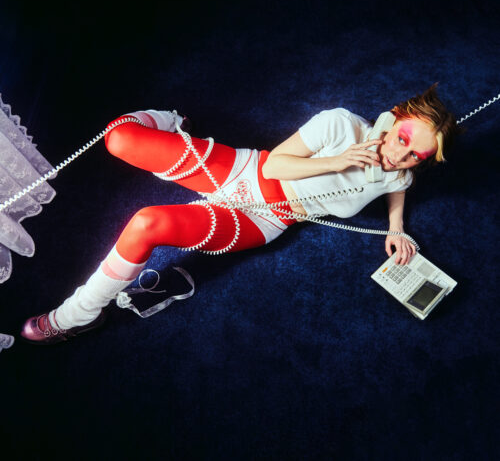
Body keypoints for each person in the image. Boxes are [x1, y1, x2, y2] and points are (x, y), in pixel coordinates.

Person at [20, 84, 458, 344]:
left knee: (147, 223)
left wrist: (396, 227)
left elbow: (398, 186)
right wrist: (338, 161)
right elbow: (274, 167)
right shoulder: (340, 123)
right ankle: (174, 120)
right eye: (402, 139)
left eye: (415, 156)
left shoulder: (399, 174)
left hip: (266, 218)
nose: (399, 156)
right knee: (119, 138)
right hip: (244, 170)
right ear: (393, 118)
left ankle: (79, 314)